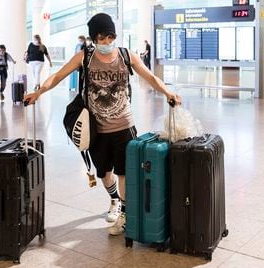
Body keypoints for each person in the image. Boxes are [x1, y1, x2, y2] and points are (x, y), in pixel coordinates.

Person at [24, 13, 181, 236]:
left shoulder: (126, 56)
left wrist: (168, 92)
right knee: (104, 173)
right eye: (102, 37)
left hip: (124, 125)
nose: (107, 42)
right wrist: (38, 92)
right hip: (96, 128)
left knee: (124, 172)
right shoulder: (84, 57)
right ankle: (115, 199)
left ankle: (125, 214)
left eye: (110, 36)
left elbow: (151, 77)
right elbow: (58, 76)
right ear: (93, 38)